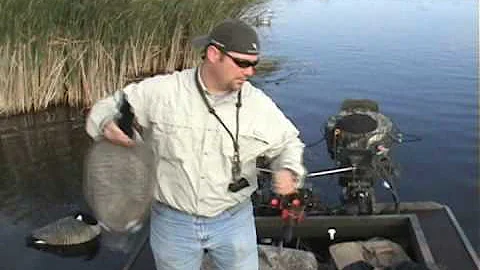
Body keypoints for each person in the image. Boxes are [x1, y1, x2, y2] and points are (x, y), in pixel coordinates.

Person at [85, 19, 306, 270]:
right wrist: (106, 123)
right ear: (213, 54)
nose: (250, 72)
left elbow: (289, 142)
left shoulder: (259, 105)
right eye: (242, 63)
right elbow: (106, 107)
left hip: (234, 219)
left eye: (254, 65)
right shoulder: (163, 92)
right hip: (172, 221)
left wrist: (288, 170)